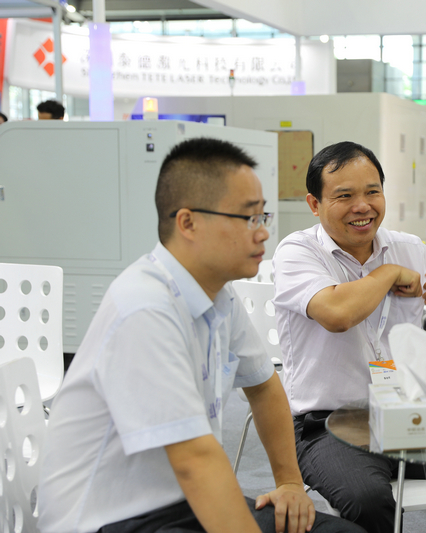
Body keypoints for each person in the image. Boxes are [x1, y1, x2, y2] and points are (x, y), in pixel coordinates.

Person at [37, 138, 363, 533]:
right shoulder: (145, 307)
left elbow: (264, 387)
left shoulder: (218, 295)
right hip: (110, 518)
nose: (262, 233)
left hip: (178, 503)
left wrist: (291, 484)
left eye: (262, 216)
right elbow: (195, 460)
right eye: (247, 218)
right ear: (188, 223)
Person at [272, 141, 426, 533]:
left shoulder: (407, 247)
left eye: (372, 191)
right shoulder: (297, 252)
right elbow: (337, 314)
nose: (362, 206)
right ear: (314, 204)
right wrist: (387, 274)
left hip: (409, 415)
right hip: (327, 424)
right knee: (367, 499)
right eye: (344, 196)